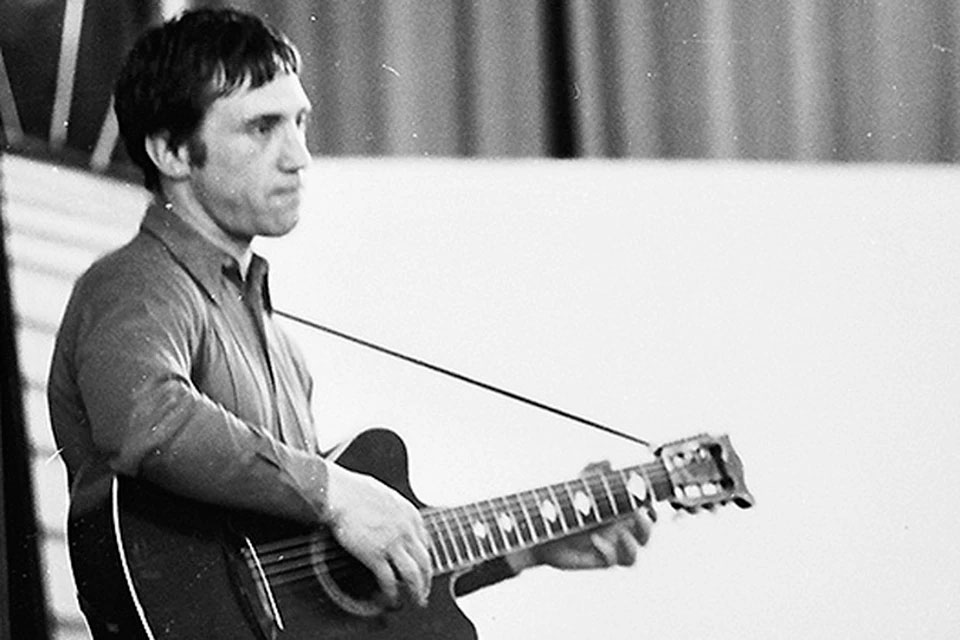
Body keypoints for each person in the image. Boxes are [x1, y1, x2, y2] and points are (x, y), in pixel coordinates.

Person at [47, 8, 654, 638]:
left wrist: (528, 547)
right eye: (262, 128)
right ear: (172, 151)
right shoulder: (138, 282)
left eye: (300, 122)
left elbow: (320, 582)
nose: (299, 156)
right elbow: (144, 419)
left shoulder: (283, 349)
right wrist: (334, 492)